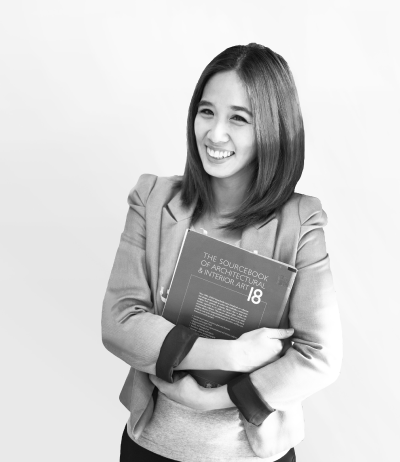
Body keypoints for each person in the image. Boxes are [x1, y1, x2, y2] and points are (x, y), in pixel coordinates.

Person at [102, 43, 342, 462]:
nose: (214, 134)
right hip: (150, 448)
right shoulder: (153, 200)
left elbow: (319, 356)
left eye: (238, 118)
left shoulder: (300, 222)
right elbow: (119, 322)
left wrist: (220, 398)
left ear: (272, 129)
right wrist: (231, 354)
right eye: (207, 111)